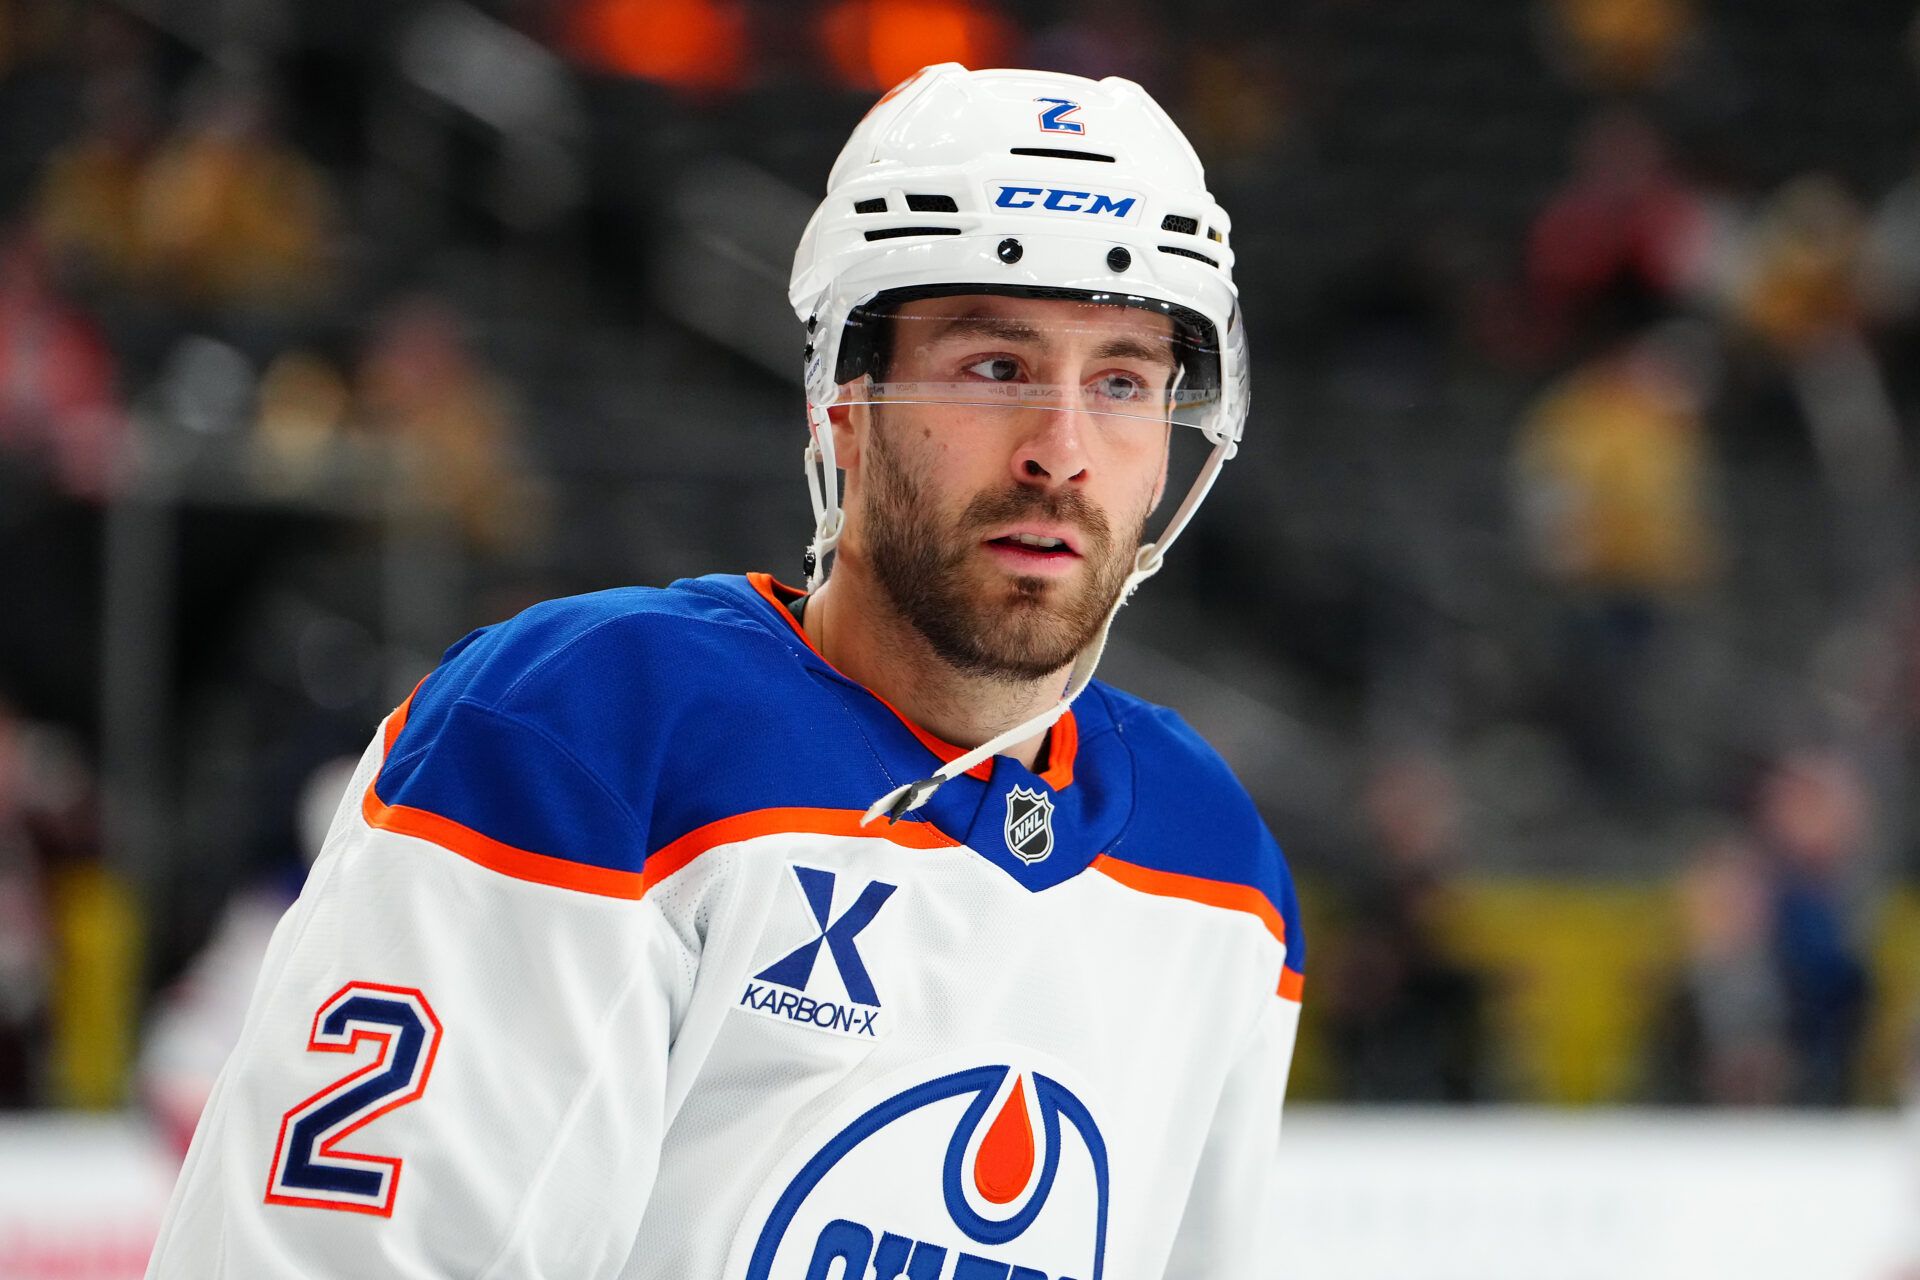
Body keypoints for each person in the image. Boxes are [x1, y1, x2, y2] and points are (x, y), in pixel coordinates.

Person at [145, 64, 1305, 1278]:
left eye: (1121, 381)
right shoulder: (587, 730)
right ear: (843, 401)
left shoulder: (1215, 862)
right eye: (995, 368)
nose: (1062, 453)